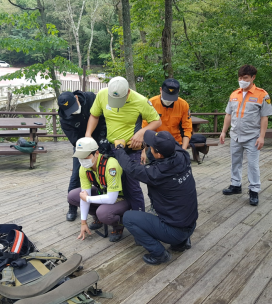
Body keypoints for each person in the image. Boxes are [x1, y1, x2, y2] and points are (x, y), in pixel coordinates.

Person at [113, 130, 198, 265]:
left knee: (129, 218)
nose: (149, 147)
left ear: (159, 154)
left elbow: (131, 168)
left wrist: (119, 148)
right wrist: (142, 138)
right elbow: (170, 142)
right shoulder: (183, 155)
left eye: (150, 147)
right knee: (178, 209)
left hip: (173, 231)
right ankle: (182, 242)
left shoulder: (156, 174)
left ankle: (159, 254)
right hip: (190, 224)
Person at [85, 76, 161, 212]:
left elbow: (157, 121)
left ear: (128, 93)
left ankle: (139, 216)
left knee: (132, 185)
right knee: (108, 182)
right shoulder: (102, 94)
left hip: (130, 149)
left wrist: (141, 132)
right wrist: (88, 135)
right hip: (110, 148)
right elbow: (94, 115)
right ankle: (116, 220)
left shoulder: (140, 101)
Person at [220, 65, 272, 206]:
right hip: (235, 135)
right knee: (235, 162)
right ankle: (235, 185)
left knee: (253, 165)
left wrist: (262, 136)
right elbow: (228, 114)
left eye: (245, 78)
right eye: (240, 78)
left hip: (252, 137)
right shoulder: (234, 94)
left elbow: (264, 117)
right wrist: (223, 131)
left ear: (252, 78)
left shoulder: (262, 94)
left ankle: (254, 190)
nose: (242, 80)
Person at [67, 137, 130, 242]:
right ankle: (97, 217)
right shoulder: (84, 167)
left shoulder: (111, 165)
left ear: (96, 153)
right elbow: (84, 195)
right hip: (104, 192)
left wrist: (88, 199)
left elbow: (111, 199)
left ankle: (118, 225)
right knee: (73, 195)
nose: (82, 161)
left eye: (85, 157)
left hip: (121, 197)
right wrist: (83, 222)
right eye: (79, 157)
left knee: (103, 213)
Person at [58, 91, 106, 222]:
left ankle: (106, 202)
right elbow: (74, 140)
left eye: (74, 107)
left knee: (104, 169)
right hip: (81, 144)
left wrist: (102, 139)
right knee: (76, 175)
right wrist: (86, 147)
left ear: (76, 98)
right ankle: (72, 207)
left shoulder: (91, 99)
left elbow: (103, 118)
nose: (73, 112)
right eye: (69, 110)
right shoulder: (64, 118)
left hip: (100, 138)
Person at [142, 78, 192, 162]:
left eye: (171, 97)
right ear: (160, 90)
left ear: (178, 92)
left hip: (175, 144)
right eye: (167, 96)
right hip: (156, 145)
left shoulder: (183, 105)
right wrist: (142, 151)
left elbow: (187, 129)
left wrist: (183, 151)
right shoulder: (151, 103)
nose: (168, 100)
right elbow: (144, 129)